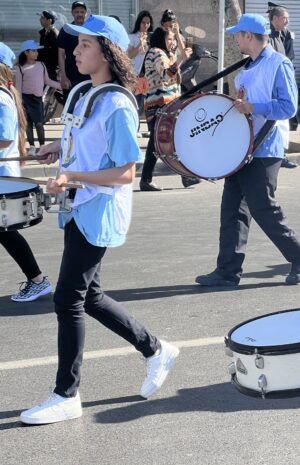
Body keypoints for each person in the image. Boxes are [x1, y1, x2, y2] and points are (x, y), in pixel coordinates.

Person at [19, 15, 179, 425]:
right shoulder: (81, 95)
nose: (75, 51)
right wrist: (56, 148)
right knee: (88, 296)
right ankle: (156, 349)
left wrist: (73, 176)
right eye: (77, 45)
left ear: (107, 51)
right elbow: (81, 142)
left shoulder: (118, 103)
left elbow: (125, 172)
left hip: (98, 210)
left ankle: (65, 394)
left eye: (85, 45)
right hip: (76, 207)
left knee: (67, 298)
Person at [195, 14, 300, 287]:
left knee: (262, 207)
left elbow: (289, 107)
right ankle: (227, 271)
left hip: (266, 145)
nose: (235, 39)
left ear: (248, 36)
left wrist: (252, 107)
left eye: (238, 34)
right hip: (243, 145)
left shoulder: (278, 64)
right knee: (232, 209)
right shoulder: (248, 66)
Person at [0, 43, 53, 303]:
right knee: (4, 233)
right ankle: (37, 280)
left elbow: (3, 139)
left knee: (5, 233)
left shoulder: (0, 97)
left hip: (2, 176)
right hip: (4, 175)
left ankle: (38, 280)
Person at [140, 27, 197, 191]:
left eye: (173, 39)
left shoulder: (164, 53)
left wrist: (178, 57)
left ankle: (185, 176)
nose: (172, 42)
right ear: (161, 39)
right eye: (169, 39)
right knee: (158, 143)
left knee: (171, 140)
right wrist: (180, 60)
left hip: (166, 103)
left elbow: (175, 78)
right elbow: (166, 75)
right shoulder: (156, 52)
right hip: (159, 104)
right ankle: (146, 179)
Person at [15, 40, 62, 147]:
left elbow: (47, 81)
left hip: (37, 99)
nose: (36, 53)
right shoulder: (20, 68)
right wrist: (19, 103)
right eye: (33, 51)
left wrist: (60, 86)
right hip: (25, 99)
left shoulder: (41, 65)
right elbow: (18, 87)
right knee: (28, 124)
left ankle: (42, 145)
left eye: (36, 51)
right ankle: (31, 146)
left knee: (39, 124)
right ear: (26, 53)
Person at [268, 2, 298, 167]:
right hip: (272, 87)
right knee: (275, 125)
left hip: (282, 85)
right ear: (276, 19)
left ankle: (281, 155)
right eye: (285, 18)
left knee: (283, 124)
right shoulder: (268, 36)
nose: (287, 21)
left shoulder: (283, 35)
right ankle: (277, 155)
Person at [57, 1, 90, 101]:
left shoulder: (92, 30)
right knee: (70, 108)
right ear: (72, 13)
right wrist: (63, 76)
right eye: (76, 12)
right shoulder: (66, 29)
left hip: (90, 76)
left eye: (82, 12)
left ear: (86, 13)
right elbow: (61, 53)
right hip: (71, 76)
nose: (79, 14)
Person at [127, 10, 153, 114]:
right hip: (136, 76)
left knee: (146, 107)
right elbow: (130, 55)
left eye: (148, 23)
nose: (146, 25)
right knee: (135, 106)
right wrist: (140, 44)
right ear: (139, 23)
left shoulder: (152, 38)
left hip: (149, 77)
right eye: (143, 22)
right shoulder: (132, 37)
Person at [38, 10, 59, 80]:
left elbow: (55, 53)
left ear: (49, 20)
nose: (40, 20)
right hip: (44, 68)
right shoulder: (43, 33)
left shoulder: (54, 34)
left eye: (42, 18)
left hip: (52, 70)